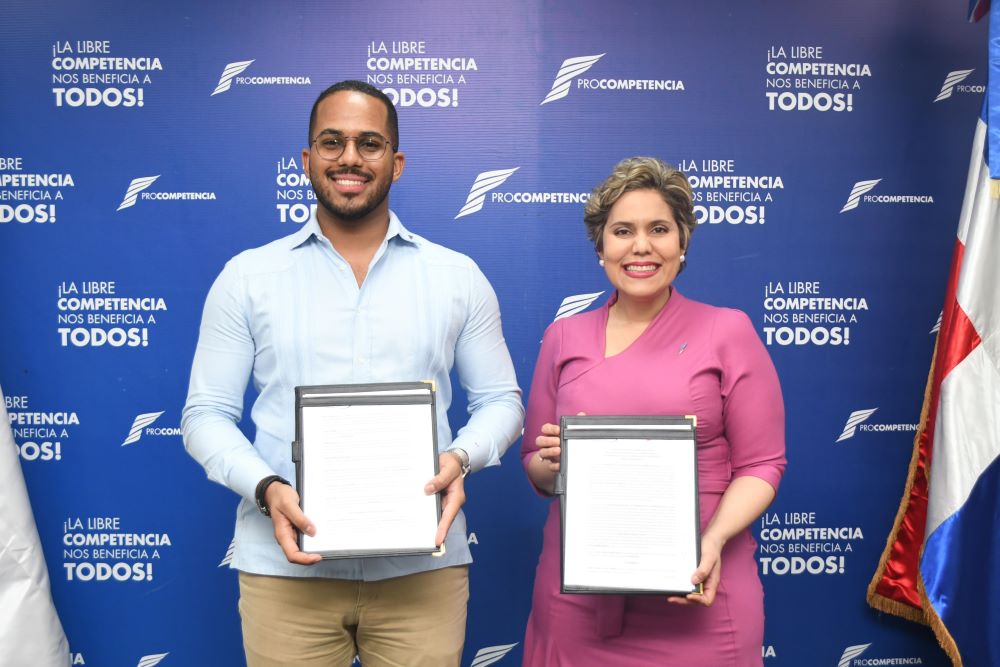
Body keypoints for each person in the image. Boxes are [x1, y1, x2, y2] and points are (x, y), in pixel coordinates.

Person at [181, 80, 524, 667]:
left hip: (423, 572)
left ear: (396, 162)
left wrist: (461, 458)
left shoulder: (457, 277)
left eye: (369, 143)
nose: (349, 158)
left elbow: (501, 401)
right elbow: (204, 415)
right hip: (284, 571)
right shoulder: (247, 277)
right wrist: (267, 489)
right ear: (307, 158)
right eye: (331, 142)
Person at [520, 157, 785, 666]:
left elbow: (762, 465)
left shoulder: (728, 331)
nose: (641, 246)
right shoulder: (563, 337)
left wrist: (712, 541)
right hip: (578, 596)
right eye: (623, 231)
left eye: (658, 229)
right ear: (601, 247)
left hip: (700, 585)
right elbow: (535, 465)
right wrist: (553, 462)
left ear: (682, 242)